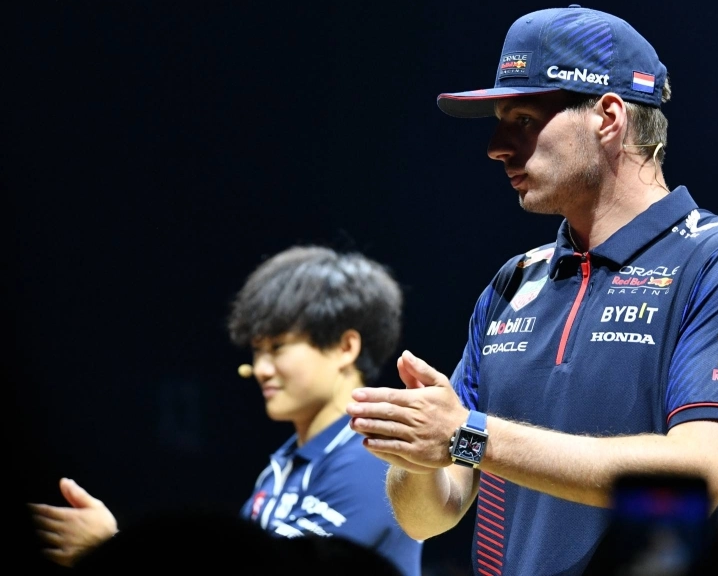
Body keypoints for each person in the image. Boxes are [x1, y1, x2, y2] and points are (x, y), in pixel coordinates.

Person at [345, 5, 718, 575]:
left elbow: (695, 477)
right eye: (500, 121)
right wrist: (418, 453)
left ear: (607, 117)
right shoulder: (514, 281)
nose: (496, 146)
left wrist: (468, 435)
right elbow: (431, 516)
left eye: (523, 118)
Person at [29, 245, 423, 576]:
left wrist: (112, 551)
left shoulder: (375, 455)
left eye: (278, 347)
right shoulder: (282, 467)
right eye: (257, 350)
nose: (260, 368)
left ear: (345, 347)